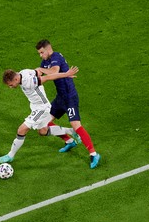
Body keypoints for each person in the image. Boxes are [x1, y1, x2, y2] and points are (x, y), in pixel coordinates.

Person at [35, 39, 101, 169]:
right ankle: (69, 140)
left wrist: (40, 69)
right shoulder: (45, 61)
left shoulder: (56, 57)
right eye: (39, 54)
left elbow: (54, 71)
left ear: (48, 49)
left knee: (76, 125)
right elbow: (44, 77)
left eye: (42, 52)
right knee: (42, 126)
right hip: (60, 98)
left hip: (70, 97)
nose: (41, 56)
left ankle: (94, 154)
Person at [0, 66, 80, 164]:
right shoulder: (23, 72)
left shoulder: (29, 82)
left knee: (22, 129)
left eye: (10, 85)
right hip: (36, 107)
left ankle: (10, 156)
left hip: (42, 108)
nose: (11, 87)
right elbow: (38, 71)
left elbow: (47, 78)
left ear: (15, 79)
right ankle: (72, 131)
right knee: (43, 131)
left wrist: (66, 74)